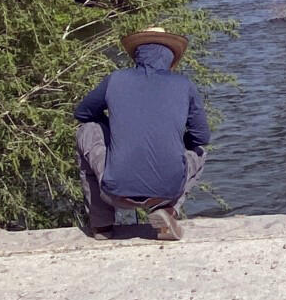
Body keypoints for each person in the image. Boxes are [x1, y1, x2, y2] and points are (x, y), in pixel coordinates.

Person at [74, 27, 210, 241]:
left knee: (87, 130)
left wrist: (112, 128)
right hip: (167, 190)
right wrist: (176, 143)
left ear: (137, 55)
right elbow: (201, 138)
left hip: (115, 191)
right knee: (200, 152)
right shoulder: (184, 85)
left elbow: (83, 113)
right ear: (170, 57)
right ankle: (168, 210)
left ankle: (102, 226)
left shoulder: (116, 79)